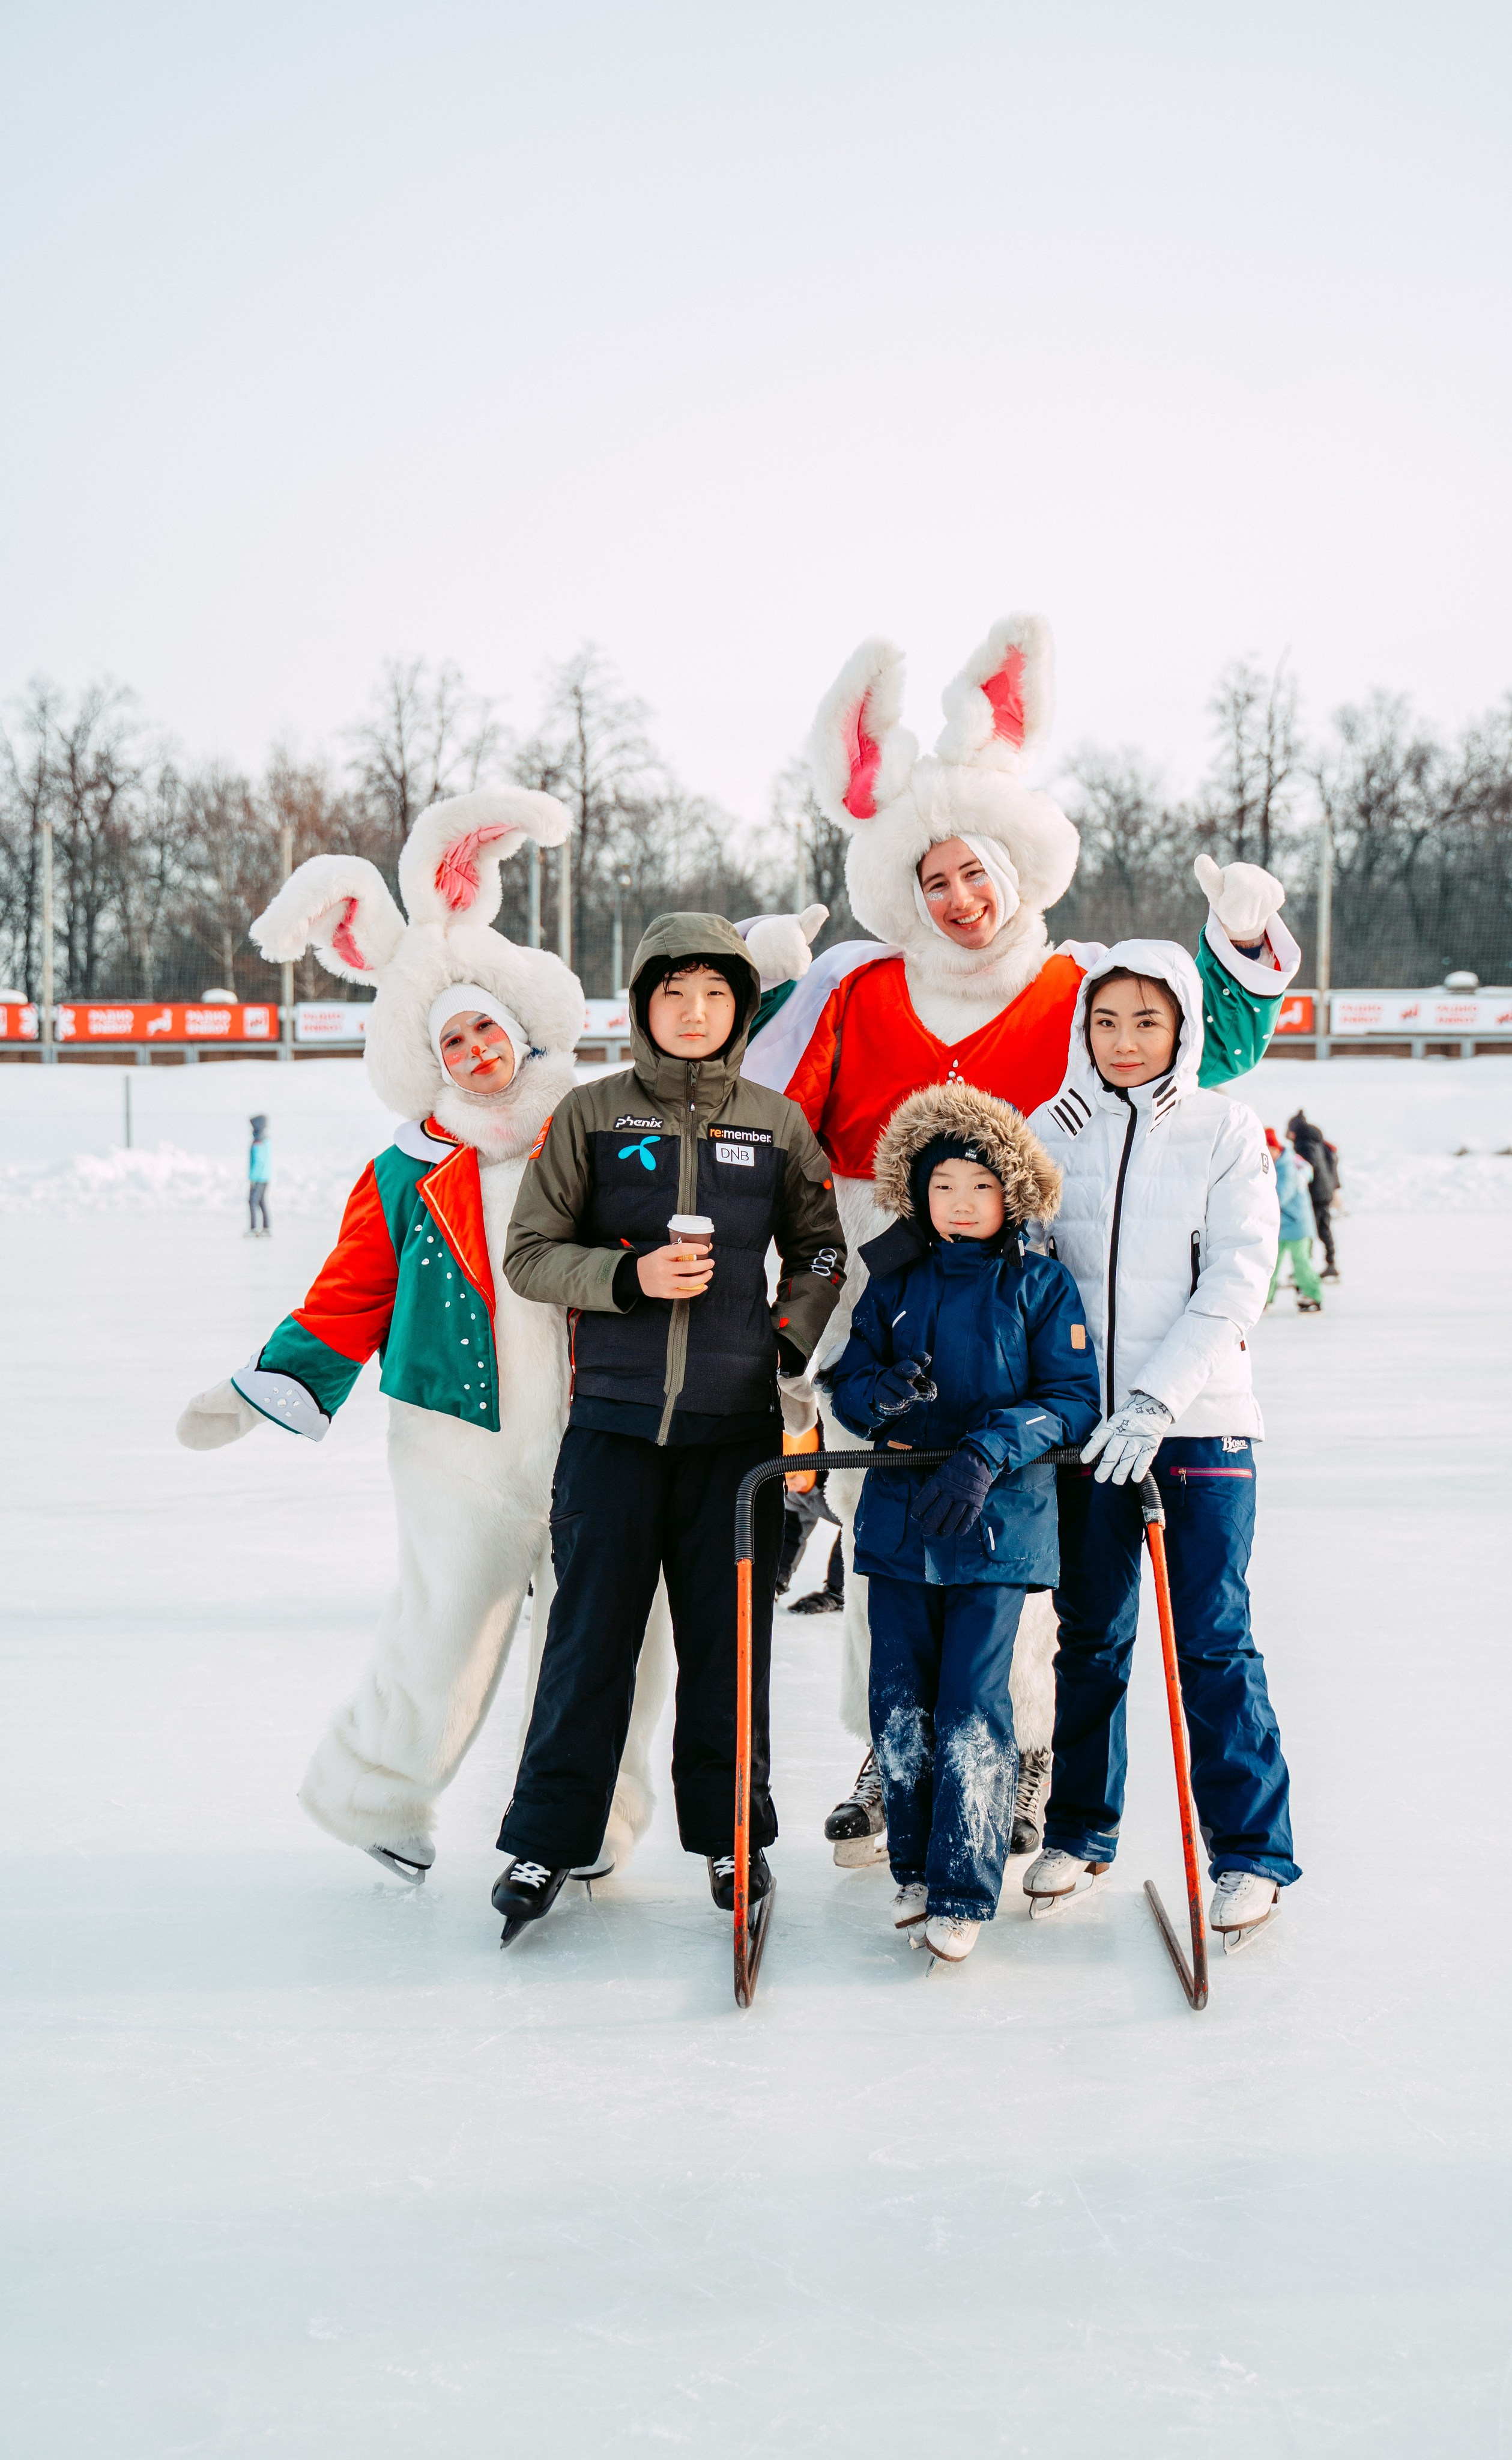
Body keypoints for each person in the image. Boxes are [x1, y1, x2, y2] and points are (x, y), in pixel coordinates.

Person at [737, 611, 1304, 1872]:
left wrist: (1234, 948)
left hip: (1021, 1303)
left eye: (974, 872)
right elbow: (765, 1116)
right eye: (934, 879)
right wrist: (764, 990)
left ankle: (1022, 1753)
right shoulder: (856, 985)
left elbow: (1200, 1052)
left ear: (1016, 867)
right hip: (889, 1291)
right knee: (878, 1518)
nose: (958, 898)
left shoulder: (1075, 983)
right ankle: (888, 1752)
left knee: (1016, 1532)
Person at [175, 790, 675, 1885]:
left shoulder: (597, 1130)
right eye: (452, 1038)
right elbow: (350, 1291)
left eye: (485, 1027)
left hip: (604, 1425)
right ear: (430, 1055)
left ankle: (595, 1813)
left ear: (519, 1026)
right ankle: (373, 1792)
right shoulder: (409, 1170)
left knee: (617, 1631)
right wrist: (262, 1385)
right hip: (458, 1438)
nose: (476, 1049)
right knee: (449, 1620)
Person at [491, 913, 847, 1944]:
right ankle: (546, 1839)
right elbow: (529, 1253)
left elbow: (821, 1251)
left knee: (729, 1649)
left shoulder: (775, 1124)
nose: (694, 1013)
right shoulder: (591, 1115)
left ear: (740, 1006)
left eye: (715, 994)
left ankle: (732, 1834)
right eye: (673, 993)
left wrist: (785, 1336)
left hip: (734, 1438)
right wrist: (627, 1276)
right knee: (585, 1645)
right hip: (611, 1428)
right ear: (644, 1002)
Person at [1026, 946, 1300, 1945]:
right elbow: (1025, 1276)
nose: (1124, 1041)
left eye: (1146, 1021)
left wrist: (1152, 1398)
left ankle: (1250, 1853)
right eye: (1105, 1022)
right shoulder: (1047, 1130)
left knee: (1212, 1639)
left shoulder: (1224, 1129)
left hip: (1198, 1422)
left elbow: (1235, 1278)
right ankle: (1079, 1831)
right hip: (1086, 1438)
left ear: (1182, 1026)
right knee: (1089, 1639)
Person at [825, 1084, 1100, 1960]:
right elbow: (847, 1381)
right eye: (942, 1186)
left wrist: (986, 1452)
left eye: (979, 1187)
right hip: (900, 1523)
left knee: (972, 1705)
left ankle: (963, 1889)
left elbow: (1071, 1399)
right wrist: (878, 1394)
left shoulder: (1040, 1283)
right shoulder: (894, 1283)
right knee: (900, 1699)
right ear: (917, 1194)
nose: (961, 1203)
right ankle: (914, 1868)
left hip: (996, 1525)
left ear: (1010, 1192)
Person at [1267, 1128, 1325, 1312]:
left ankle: (1312, 1295)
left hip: (1297, 1225)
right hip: (1281, 1225)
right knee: (1270, 1264)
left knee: (1301, 1263)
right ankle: (1264, 1298)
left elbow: (1280, 1196)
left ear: (1274, 1148)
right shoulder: (1276, 1165)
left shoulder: (1288, 1167)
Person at [1287, 1109, 1340, 1278]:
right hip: (1324, 1192)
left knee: (1307, 1231)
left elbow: (1308, 1168)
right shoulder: (1317, 1142)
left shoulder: (1304, 1144)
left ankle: (1305, 1270)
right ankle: (1329, 1264)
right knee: (1322, 1228)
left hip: (1314, 1194)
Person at [247, 1114, 272, 1235]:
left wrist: (253, 1178)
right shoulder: (266, 1140)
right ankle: (266, 1227)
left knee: (253, 1202)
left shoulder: (258, 1141)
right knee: (261, 1201)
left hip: (259, 1177)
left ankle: (254, 1228)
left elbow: (259, 1161)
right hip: (265, 1176)